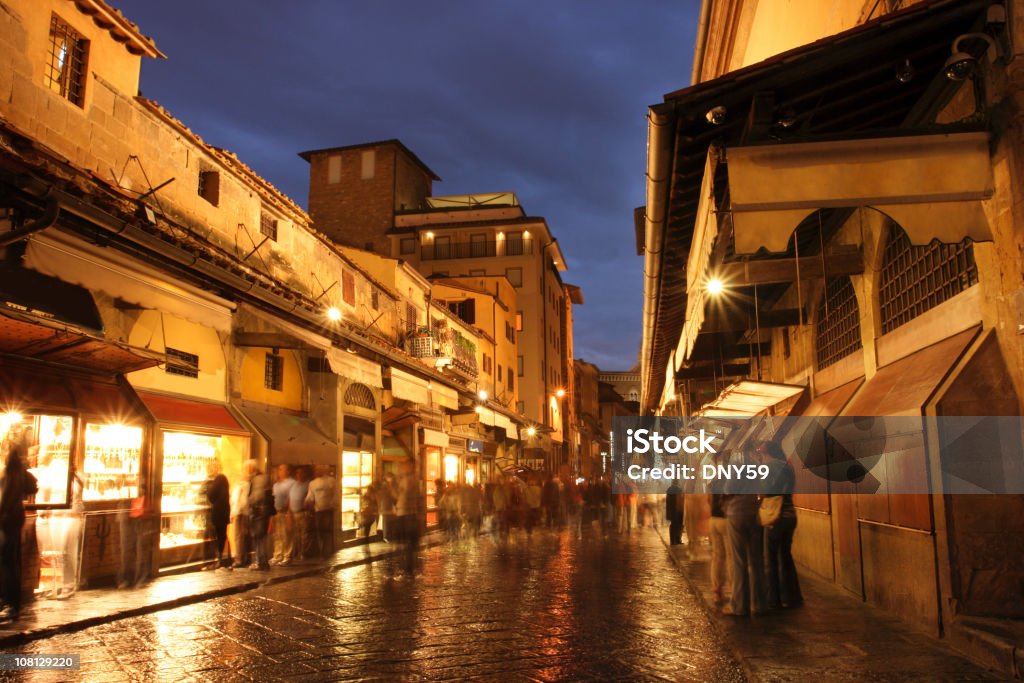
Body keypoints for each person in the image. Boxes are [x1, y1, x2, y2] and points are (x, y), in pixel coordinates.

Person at [723, 444, 767, 617]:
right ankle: (760, 603)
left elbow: (727, 489)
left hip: (737, 513)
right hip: (754, 512)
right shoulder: (758, 468)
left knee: (739, 561)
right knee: (756, 560)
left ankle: (740, 606)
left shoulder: (737, 467)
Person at [762, 441, 803, 610]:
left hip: (775, 515)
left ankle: (775, 598)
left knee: (771, 558)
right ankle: (793, 596)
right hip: (790, 514)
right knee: (785, 556)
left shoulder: (769, 467)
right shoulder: (788, 466)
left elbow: (765, 489)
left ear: (766, 453)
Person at [0, 437, 38, 620]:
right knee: (8, 561)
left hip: (8, 520)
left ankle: (11, 603)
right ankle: (9, 602)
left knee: (8, 562)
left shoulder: (13, 470)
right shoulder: (13, 470)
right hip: (10, 518)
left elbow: (32, 486)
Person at [392, 457, 422, 577]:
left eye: (405, 465)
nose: (403, 467)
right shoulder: (410, 478)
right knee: (407, 543)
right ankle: (408, 568)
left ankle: (407, 568)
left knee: (406, 542)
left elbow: (401, 495)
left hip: (406, 513)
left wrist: (394, 487)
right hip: (406, 513)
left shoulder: (409, 479)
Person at [203, 461, 231, 569]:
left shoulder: (219, 479)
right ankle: (223, 560)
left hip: (218, 513)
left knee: (219, 537)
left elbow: (211, 494)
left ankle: (219, 560)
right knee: (222, 536)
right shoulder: (222, 479)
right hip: (223, 513)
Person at [305, 464, 338, 559]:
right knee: (320, 532)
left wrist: (333, 504)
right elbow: (310, 496)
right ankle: (322, 552)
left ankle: (326, 552)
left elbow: (335, 494)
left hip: (328, 510)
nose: (317, 471)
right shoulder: (313, 483)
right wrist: (307, 502)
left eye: (319, 469)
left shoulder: (331, 481)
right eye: (316, 469)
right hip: (318, 511)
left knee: (326, 532)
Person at [246, 460, 271, 571]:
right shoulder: (261, 478)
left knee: (259, 537)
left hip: (258, 511)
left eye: (248, 469)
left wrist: (249, 501)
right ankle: (261, 561)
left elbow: (257, 496)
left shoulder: (258, 479)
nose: (246, 471)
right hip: (261, 511)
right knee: (259, 537)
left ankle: (261, 562)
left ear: (252, 469)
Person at [270, 464, 295, 566]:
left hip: (286, 512)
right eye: (278, 470)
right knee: (277, 535)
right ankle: (277, 555)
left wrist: (289, 511)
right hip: (276, 512)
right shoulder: (276, 485)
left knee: (287, 535)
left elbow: (292, 497)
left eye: (281, 470)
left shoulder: (292, 483)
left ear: (288, 471)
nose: (279, 472)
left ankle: (287, 556)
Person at [230, 462, 253, 568]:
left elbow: (241, 501)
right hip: (239, 512)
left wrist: (236, 512)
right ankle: (242, 558)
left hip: (241, 513)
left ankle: (240, 559)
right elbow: (234, 500)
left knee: (240, 537)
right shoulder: (240, 485)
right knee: (240, 537)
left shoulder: (246, 485)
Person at [290, 466, 311, 560]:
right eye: (298, 473)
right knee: (295, 535)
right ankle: (296, 552)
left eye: (301, 473)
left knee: (304, 535)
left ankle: (303, 553)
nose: (299, 475)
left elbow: (309, 499)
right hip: (294, 513)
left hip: (303, 513)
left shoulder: (308, 484)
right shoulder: (294, 485)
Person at [665, 480, 683, 545]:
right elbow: (680, 500)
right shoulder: (679, 490)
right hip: (678, 511)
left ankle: (672, 541)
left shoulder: (669, 489)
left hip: (671, 510)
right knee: (679, 525)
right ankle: (678, 539)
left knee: (673, 525)